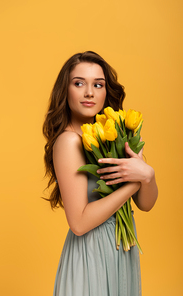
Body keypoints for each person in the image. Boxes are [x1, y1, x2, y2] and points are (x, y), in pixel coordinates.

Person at [43, 51, 158, 296]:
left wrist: (148, 176)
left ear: (106, 91)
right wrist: (133, 183)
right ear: (66, 90)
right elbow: (79, 223)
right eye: (79, 83)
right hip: (91, 252)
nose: (89, 92)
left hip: (121, 252)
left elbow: (146, 205)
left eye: (98, 84)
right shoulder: (68, 142)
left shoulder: (114, 135)